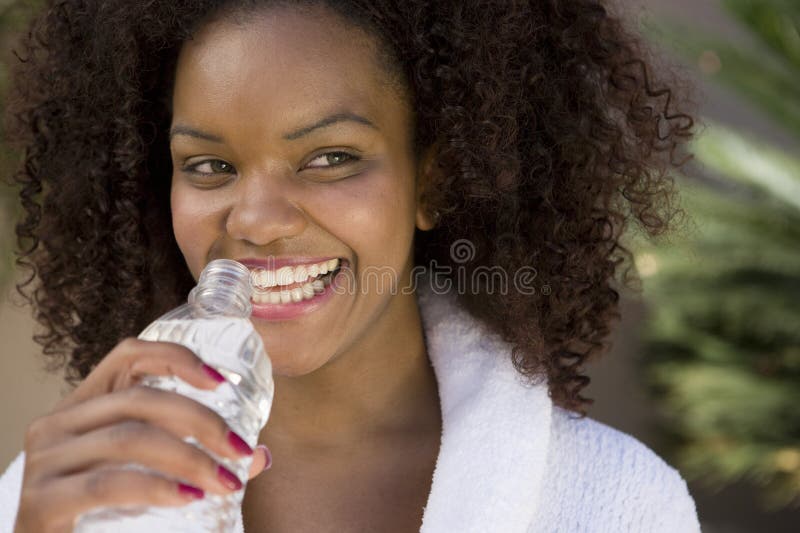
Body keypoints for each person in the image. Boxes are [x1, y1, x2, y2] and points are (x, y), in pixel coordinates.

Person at [0, 0, 701, 531]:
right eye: (209, 166)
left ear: (433, 180)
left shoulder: (622, 503)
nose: (257, 220)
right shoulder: (67, 493)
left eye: (331, 157)